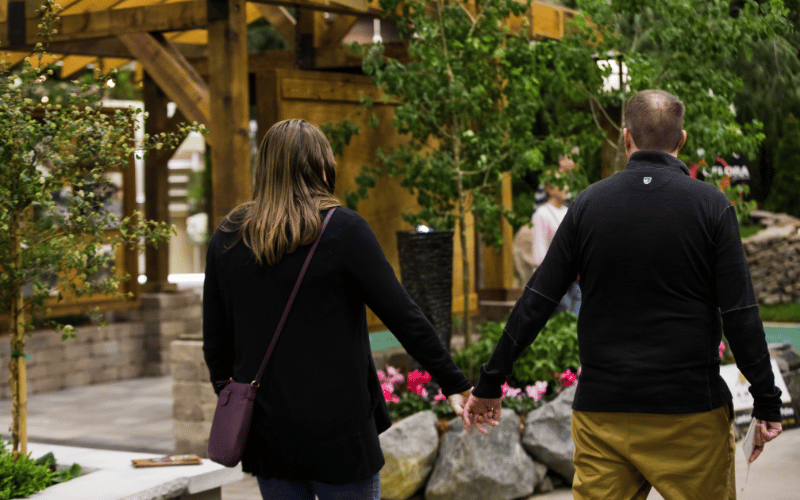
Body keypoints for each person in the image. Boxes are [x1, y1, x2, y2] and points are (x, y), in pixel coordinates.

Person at [462, 90, 783, 499]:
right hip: (690, 415)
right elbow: (740, 312)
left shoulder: (587, 206)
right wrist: (766, 400)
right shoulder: (711, 206)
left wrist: (491, 381)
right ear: (681, 140)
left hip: (603, 413)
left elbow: (538, 299)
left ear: (626, 138)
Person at [202, 119, 472, 500]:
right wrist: (454, 382)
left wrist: (234, 399)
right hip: (341, 434)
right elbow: (404, 316)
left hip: (269, 433)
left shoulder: (228, 237)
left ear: (264, 168)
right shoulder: (343, 230)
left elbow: (215, 343)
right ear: (322, 167)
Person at [531, 176, 581, 315]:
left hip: (573, 278)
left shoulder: (570, 212)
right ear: (550, 189)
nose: (566, 188)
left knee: (577, 317)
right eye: (562, 184)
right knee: (562, 315)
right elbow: (539, 251)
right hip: (552, 279)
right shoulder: (542, 214)